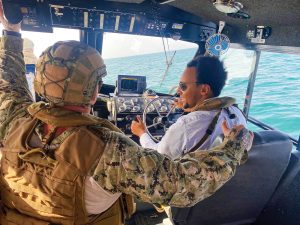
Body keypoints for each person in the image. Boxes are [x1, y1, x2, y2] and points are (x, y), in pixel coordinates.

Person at [0, 3, 252, 224]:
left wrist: (11, 30)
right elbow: (183, 185)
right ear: (94, 91)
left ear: (40, 82)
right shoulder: (107, 150)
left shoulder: (14, 117)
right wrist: (233, 147)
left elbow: (9, 83)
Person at [131, 56, 248, 159]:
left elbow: (157, 156)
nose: (178, 91)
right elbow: (208, 114)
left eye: (183, 86)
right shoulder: (236, 112)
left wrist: (142, 133)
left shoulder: (186, 125)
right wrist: (190, 109)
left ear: (204, 90)